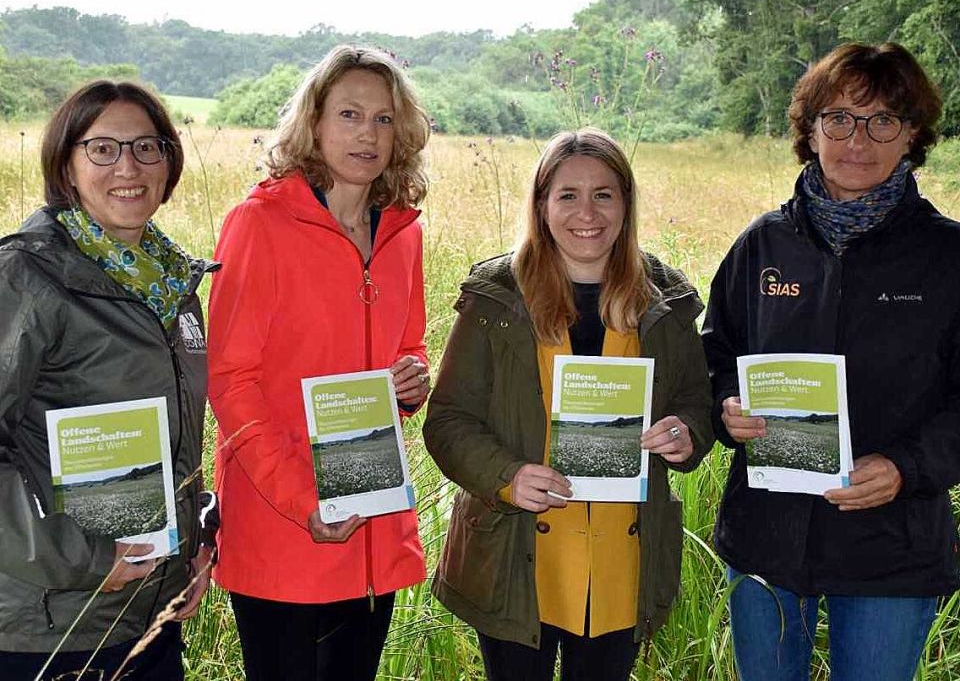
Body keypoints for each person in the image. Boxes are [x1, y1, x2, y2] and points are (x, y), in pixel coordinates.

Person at [702, 42, 960, 681]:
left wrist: (906, 467)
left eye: (883, 121)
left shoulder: (947, 257)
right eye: (840, 117)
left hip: (893, 546)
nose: (858, 139)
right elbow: (715, 353)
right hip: (766, 537)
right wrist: (724, 406)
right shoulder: (762, 244)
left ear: (912, 137)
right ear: (811, 129)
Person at [423, 128, 714, 681]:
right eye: (568, 195)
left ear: (626, 204)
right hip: (516, 560)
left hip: (621, 564)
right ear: (541, 204)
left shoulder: (665, 300)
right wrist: (508, 476)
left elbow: (694, 401)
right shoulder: (496, 295)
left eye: (604, 194)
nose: (588, 213)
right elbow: (448, 420)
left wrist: (685, 433)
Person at [207, 44, 431, 681]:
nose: (368, 134)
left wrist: (410, 381)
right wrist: (303, 499)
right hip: (285, 529)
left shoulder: (402, 233)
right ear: (314, 123)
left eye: (384, 119)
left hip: (370, 523)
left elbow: (406, 348)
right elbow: (231, 381)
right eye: (349, 114)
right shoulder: (258, 224)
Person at [0, 80, 216, 681]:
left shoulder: (174, 287)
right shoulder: (27, 276)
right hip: (47, 623)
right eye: (103, 149)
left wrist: (193, 544)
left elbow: (175, 439)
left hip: (148, 614)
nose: (128, 166)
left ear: (170, 162)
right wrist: (88, 558)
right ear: (66, 164)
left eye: (148, 147)